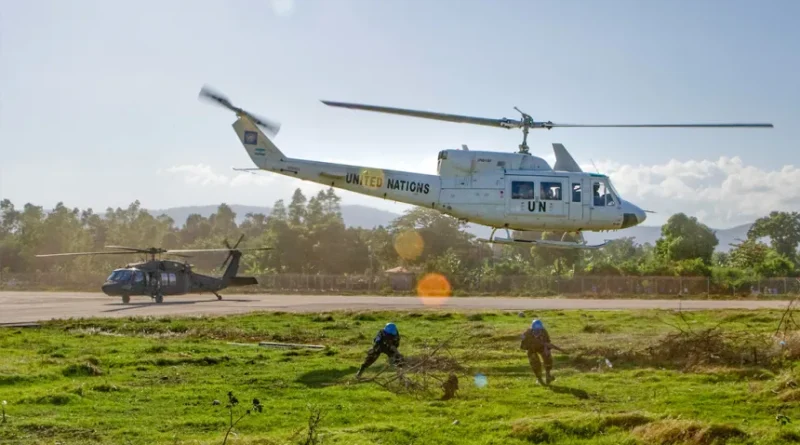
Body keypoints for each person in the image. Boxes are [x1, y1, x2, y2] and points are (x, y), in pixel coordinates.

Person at [520, 319, 558, 385]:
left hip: (542, 348)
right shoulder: (527, 334)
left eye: (539, 329)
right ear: (533, 328)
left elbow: (547, 341)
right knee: (535, 362)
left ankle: (548, 375)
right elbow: (523, 347)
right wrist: (526, 342)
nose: (538, 331)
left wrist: (546, 349)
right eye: (536, 330)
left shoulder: (544, 331)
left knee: (548, 357)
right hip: (532, 350)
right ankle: (539, 379)